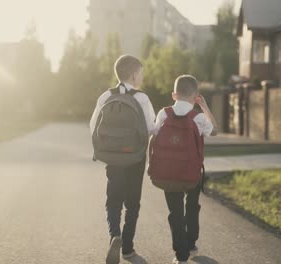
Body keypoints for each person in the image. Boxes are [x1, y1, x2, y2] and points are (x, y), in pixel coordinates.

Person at [90, 54, 156, 264]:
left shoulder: (105, 96)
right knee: (132, 203)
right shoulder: (141, 98)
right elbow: (150, 128)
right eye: (141, 74)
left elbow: (93, 125)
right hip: (135, 158)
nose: (142, 77)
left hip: (112, 156)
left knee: (113, 199)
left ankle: (114, 235)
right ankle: (127, 249)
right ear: (135, 75)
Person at [152, 75, 218, 264]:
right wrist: (204, 106)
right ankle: (191, 243)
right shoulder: (197, 117)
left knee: (175, 213)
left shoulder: (163, 114)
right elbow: (215, 130)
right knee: (192, 206)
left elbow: (155, 135)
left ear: (174, 94)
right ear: (196, 95)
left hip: (167, 171)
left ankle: (180, 256)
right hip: (192, 173)